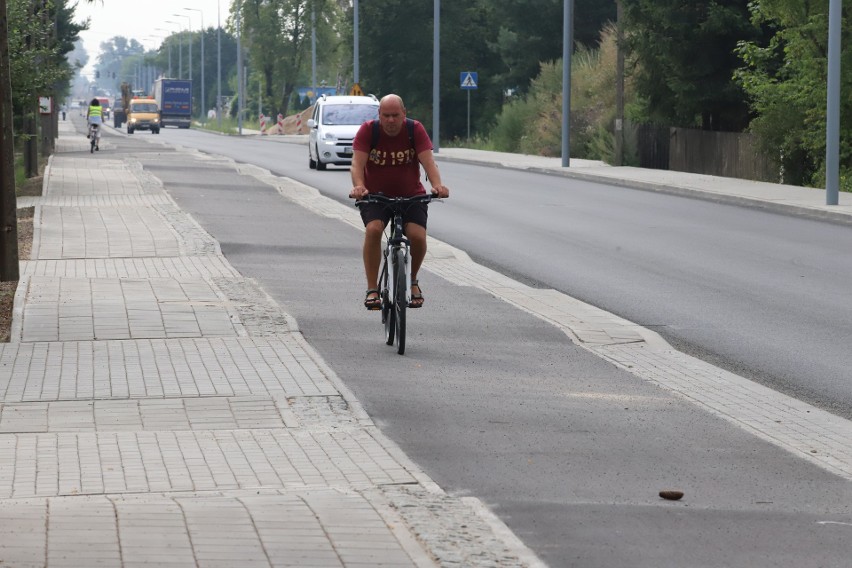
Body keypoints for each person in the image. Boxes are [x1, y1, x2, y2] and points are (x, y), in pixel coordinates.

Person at [349, 94, 450, 310]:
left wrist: (438, 185)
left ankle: (412, 280)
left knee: (417, 237)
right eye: (386, 115)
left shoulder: (415, 130)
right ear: (379, 115)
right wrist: (359, 186)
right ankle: (372, 289)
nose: (391, 120)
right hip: (375, 196)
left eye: (396, 115)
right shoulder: (369, 130)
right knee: (374, 230)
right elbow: (357, 164)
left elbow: (429, 162)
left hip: (411, 195)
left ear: (404, 114)